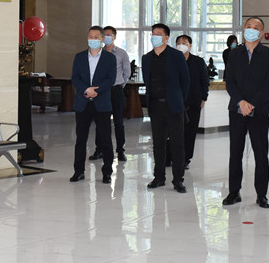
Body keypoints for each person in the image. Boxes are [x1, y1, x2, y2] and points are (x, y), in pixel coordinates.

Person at [223, 17, 269, 209]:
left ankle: (261, 194)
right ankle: (233, 192)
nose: (251, 30)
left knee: (261, 154)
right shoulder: (234, 54)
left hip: (259, 110)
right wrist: (241, 102)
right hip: (237, 109)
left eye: (256, 28)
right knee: (235, 153)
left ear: (261, 33)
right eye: (248, 26)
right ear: (244, 29)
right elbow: (230, 82)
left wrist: (251, 104)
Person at [141, 24, 191, 193]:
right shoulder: (146, 58)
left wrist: (179, 100)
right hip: (155, 106)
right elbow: (147, 81)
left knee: (177, 144)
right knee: (158, 143)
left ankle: (178, 180)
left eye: (158, 34)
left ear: (166, 37)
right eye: (153, 34)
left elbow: (185, 81)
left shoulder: (176, 56)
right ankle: (159, 177)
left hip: (174, 106)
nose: (154, 36)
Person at [70, 26, 117, 184]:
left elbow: (110, 79)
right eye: (90, 36)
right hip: (83, 102)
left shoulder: (110, 58)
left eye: (96, 37)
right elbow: (75, 78)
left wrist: (96, 90)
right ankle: (78, 171)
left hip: (101, 102)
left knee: (105, 139)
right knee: (80, 139)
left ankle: (107, 172)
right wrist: (86, 90)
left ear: (102, 39)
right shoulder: (79, 57)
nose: (93, 39)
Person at [88, 26, 131, 162]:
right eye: (104, 35)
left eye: (109, 35)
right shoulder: (97, 53)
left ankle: (120, 151)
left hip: (116, 90)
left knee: (118, 121)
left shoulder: (122, 53)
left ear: (114, 37)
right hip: (101, 91)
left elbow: (127, 72)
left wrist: (120, 85)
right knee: (101, 121)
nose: (107, 37)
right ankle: (99, 150)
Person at [175, 34, 209, 170]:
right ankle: (171, 156)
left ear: (190, 46)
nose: (181, 45)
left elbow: (204, 81)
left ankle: (186, 158)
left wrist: (204, 97)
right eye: (178, 42)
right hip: (176, 101)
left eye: (184, 43)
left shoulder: (198, 61)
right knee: (174, 131)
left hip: (193, 101)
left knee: (190, 131)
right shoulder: (172, 60)